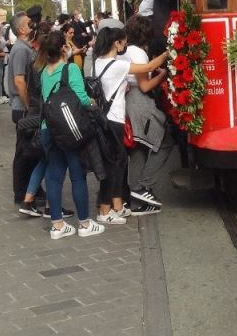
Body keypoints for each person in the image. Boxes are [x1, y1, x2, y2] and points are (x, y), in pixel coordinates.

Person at [93, 27, 169, 224]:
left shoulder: (99, 63)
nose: (125, 46)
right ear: (115, 43)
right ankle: (104, 211)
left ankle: (117, 206)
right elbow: (148, 67)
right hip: (114, 119)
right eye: (123, 42)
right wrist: (169, 51)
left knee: (118, 162)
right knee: (113, 165)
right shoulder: (117, 65)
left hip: (106, 119)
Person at [37, 31, 104, 239]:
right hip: (70, 131)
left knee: (54, 175)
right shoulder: (70, 68)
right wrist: (93, 103)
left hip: (50, 128)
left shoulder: (43, 72)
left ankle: (57, 225)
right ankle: (84, 223)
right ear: (63, 48)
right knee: (77, 176)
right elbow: (81, 98)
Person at [123, 15, 171, 214]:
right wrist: (163, 74)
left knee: (139, 148)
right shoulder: (139, 53)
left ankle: (136, 200)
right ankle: (143, 186)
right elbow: (144, 86)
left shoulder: (126, 51)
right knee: (165, 141)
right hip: (139, 104)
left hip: (128, 103)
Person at [8, 12, 42, 206]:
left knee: (29, 150)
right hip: (22, 107)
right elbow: (19, 80)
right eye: (30, 24)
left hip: (24, 106)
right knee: (25, 151)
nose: (33, 26)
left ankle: (31, 188)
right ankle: (22, 192)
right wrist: (29, 104)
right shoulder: (21, 50)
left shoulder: (25, 48)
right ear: (22, 29)